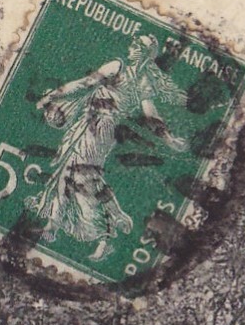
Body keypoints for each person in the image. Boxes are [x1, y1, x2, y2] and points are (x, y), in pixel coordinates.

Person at [30, 33, 189, 261]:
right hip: (99, 128)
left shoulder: (119, 67)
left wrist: (52, 96)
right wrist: (169, 139)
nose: (132, 47)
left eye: (137, 45)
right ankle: (53, 227)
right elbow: (151, 116)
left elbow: (85, 84)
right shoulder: (143, 81)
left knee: (83, 177)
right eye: (134, 43)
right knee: (70, 171)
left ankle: (106, 234)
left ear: (144, 53)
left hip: (97, 127)